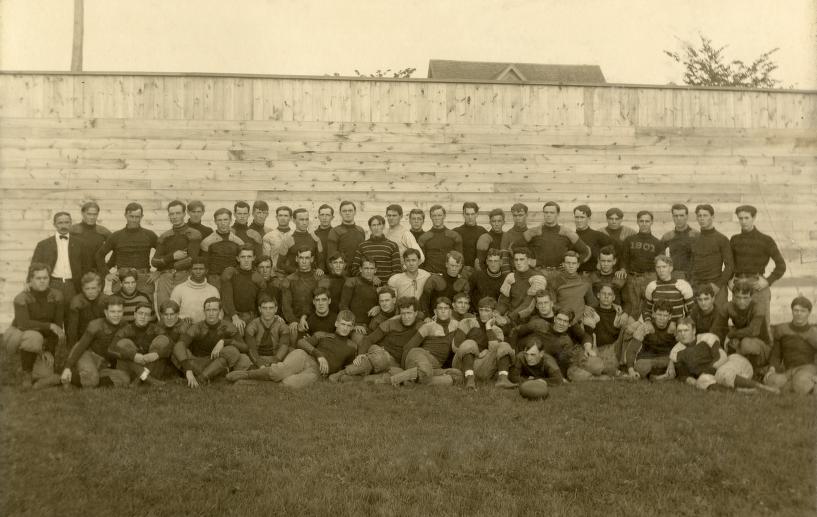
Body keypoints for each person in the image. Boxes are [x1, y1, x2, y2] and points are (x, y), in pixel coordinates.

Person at [226, 310, 358, 388]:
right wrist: (319, 355)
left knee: (289, 383)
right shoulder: (322, 335)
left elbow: (347, 367)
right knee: (279, 371)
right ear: (336, 323)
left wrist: (334, 374)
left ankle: (251, 382)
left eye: (348, 325)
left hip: (316, 372)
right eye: (342, 324)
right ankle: (247, 375)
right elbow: (301, 342)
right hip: (304, 357)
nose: (345, 328)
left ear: (352, 327)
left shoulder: (352, 347)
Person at [655, 318, 778, 393]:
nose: (682, 334)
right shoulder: (676, 351)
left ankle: (763, 388)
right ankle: (741, 391)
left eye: (686, 330)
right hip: (716, 377)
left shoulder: (707, 337)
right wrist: (693, 380)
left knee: (721, 373)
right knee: (702, 381)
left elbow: (721, 357)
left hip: (733, 363)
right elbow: (683, 374)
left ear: (694, 330)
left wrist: (706, 372)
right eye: (680, 331)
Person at [329, 296, 424, 383]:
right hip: (380, 351)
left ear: (415, 313)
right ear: (399, 313)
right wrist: (360, 354)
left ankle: (352, 379)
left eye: (409, 313)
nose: (406, 317)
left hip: (395, 362)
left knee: (395, 373)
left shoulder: (421, 326)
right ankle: (341, 373)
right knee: (381, 358)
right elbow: (369, 339)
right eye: (403, 313)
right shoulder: (391, 323)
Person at [5, 263, 66, 388]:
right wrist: (49, 325)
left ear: (49, 279)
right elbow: (23, 324)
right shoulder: (21, 297)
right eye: (38, 278)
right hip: (17, 334)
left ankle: (30, 367)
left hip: (41, 337)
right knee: (34, 337)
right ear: (30, 280)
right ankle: (26, 372)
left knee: (45, 374)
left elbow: (57, 327)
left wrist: (49, 350)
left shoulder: (57, 296)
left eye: (45, 278)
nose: (42, 281)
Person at [173, 297, 251, 388]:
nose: (211, 313)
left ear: (220, 311)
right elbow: (179, 345)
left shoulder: (228, 326)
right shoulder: (197, 327)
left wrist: (224, 341)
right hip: (199, 362)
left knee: (235, 353)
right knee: (176, 352)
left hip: (219, 362)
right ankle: (210, 376)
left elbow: (245, 348)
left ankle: (201, 379)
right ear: (204, 311)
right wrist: (188, 370)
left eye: (214, 310)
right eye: (208, 310)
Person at [729, 204, 786, 325]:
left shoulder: (766, 240)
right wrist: (730, 280)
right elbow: (730, 264)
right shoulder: (734, 239)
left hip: (757, 285)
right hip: (738, 285)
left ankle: (767, 344)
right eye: (740, 218)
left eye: (746, 218)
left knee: (762, 324)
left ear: (754, 218)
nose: (743, 221)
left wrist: (768, 281)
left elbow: (781, 266)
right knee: (740, 322)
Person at [391, 297, 462, 386]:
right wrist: (403, 367)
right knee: (426, 369)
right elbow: (408, 347)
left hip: (435, 365)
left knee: (457, 375)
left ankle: (409, 381)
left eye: (446, 308)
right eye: (440, 308)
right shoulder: (428, 327)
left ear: (450, 311)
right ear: (435, 311)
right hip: (419, 355)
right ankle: (395, 379)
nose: (443, 311)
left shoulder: (456, 325)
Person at [60, 296, 129, 389]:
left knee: (125, 379)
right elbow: (81, 346)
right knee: (92, 380)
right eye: (112, 311)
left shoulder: (124, 324)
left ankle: (88, 378)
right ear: (106, 312)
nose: (116, 315)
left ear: (123, 311)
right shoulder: (96, 325)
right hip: (88, 355)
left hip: (104, 362)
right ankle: (64, 375)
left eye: (119, 311)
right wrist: (67, 367)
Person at [451, 297, 516, 389]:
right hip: (461, 365)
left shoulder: (497, 330)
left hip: (482, 367)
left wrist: (488, 327)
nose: (483, 314)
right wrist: (477, 353)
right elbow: (455, 347)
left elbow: (495, 350)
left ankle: (503, 379)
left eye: (487, 310)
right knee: (469, 343)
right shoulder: (467, 322)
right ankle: (469, 380)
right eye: (481, 310)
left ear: (494, 313)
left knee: (504, 345)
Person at [95, 202, 158, 294]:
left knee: (146, 307)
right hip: (121, 277)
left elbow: (163, 252)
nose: (134, 220)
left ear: (142, 216)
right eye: (131, 216)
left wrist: (158, 272)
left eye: (137, 217)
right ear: (125, 215)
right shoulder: (116, 236)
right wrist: (107, 274)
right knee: (120, 307)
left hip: (143, 277)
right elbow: (99, 255)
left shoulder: (149, 235)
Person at [151, 200, 202, 308]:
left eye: (177, 213)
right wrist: (172, 256)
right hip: (165, 278)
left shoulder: (193, 234)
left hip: (184, 276)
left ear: (184, 214)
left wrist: (167, 263)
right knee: (164, 309)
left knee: (184, 309)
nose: (174, 216)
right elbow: (154, 261)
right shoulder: (165, 236)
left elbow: (191, 260)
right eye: (171, 214)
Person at [108, 302, 172, 385]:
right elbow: (111, 348)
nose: (143, 317)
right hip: (130, 369)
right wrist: (133, 356)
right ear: (135, 315)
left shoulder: (155, 328)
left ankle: (140, 379)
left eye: (147, 314)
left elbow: (170, 343)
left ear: (150, 317)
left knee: (163, 340)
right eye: (140, 313)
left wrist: (157, 354)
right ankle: (148, 379)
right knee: (123, 344)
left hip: (150, 368)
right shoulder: (126, 330)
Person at [764, 297, 817, 394]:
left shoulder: (814, 333)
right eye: (796, 310)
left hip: (807, 368)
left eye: (803, 311)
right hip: (789, 370)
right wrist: (772, 368)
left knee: (801, 382)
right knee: (770, 380)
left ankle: (799, 386)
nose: (799, 314)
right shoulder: (782, 329)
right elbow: (776, 353)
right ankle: (799, 387)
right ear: (792, 311)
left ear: (809, 313)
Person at [713, 282, 771, 370]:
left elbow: (753, 331)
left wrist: (731, 335)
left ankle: (754, 370)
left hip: (761, 346)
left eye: (745, 298)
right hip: (741, 340)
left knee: (746, 344)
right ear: (733, 297)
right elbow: (717, 327)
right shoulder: (728, 306)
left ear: (751, 297)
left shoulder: (758, 307)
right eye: (738, 297)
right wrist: (719, 344)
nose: (741, 301)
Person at [620, 210, 666, 318]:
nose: (644, 224)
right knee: (631, 310)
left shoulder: (658, 243)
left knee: (649, 309)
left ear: (651, 222)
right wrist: (622, 269)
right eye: (641, 221)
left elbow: (661, 264)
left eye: (647, 221)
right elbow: (624, 259)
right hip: (632, 278)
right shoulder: (629, 240)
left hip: (649, 278)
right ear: (637, 222)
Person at [32, 211, 82, 308]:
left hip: (72, 286)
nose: (64, 225)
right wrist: (30, 283)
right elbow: (34, 267)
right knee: (52, 315)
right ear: (54, 224)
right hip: (52, 284)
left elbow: (86, 266)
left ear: (71, 223)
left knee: (71, 317)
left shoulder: (80, 244)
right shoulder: (43, 245)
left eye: (67, 222)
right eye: (60, 223)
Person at [523, 202, 590, 272]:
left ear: (557, 214)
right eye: (546, 212)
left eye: (552, 213)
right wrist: (529, 261)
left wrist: (571, 264)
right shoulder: (534, 232)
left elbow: (585, 252)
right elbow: (514, 248)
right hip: (539, 272)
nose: (548, 215)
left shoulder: (567, 233)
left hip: (560, 273)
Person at [690, 204, 733, 308]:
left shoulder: (722, 239)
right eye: (699, 216)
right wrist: (692, 283)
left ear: (712, 217)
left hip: (716, 286)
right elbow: (691, 264)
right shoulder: (694, 239)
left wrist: (718, 285)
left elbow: (730, 266)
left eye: (705, 215)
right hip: (698, 286)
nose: (702, 218)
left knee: (719, 319)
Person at [621, 300, 676, 379]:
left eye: (665, 315)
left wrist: (671, 362)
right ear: (653, 314)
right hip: (647, 359)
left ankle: (656, 375)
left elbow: (680, 349)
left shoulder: (674, 329)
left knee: (678, 363)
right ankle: (661, 375)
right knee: (640, 367)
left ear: (670, 316)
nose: (662, 318)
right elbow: (631, 350)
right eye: (659, 314)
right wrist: (631, 370)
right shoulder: (645, 327)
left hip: (666, 359)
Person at [281, 247, 330, 334]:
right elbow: (286, 305)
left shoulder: (320, 278)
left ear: (312, 259)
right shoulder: (288, 280)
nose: (304, 261)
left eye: (307, 258)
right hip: (296, 320)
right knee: (294, 334)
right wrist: (293, 321)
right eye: (301, 258)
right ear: (296, 259)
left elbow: (321, 301)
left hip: (317, 318)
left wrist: (305, 317)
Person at [221, 244, 266, 335]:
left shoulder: (257, 277)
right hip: (233, 315)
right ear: (238, 258)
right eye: (243, 257)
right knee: (230, 334)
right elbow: (227, 298)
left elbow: (261, 300)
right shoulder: (231, 273)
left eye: (249, 256)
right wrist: (234, 317)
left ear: (253, 258)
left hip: (251, 316)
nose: (246, 260)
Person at [496, 248, 547, 324]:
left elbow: (529, 305)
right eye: (516, 260)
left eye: (522, 259)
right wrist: (497, 314)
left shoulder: (538, 278)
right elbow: (503, 301)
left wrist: (508, 318)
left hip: (529, 319)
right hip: (510, 317)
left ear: (529, 261)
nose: (518, 263)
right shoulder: (511, 276)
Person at [240, 295, 291, 370]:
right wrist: (260, 365)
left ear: (276, 309)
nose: (268, 311)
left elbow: (284, 346)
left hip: (276, 357)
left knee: (293, 353)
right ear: (260, 309)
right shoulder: (252, 326)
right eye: (264, 308)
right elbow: (251, 349)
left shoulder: (283, 326)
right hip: (257, 357)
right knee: (242, 359)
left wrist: (274, 363)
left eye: (271, 308)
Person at [199, 207, 244, 290]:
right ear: (215, 221)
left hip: (233, 278)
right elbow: (204, 265)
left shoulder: (238, 241)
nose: (223, 223)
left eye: (225, 220)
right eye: (219, 220)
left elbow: (242, 262)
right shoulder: (207, 241)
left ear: (230, 220)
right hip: (214, 279)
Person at [642, 256, 694, 323]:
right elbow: (646, 309)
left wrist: (682, 325)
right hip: (658, 326)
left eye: (664, 267)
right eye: (658, 267)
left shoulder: (682, 285)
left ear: (671, 268)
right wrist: (648, 322)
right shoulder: (651, 286)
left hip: (677, 327)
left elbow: (691, 310)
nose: (661, 270)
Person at [66, 272, 108, 355]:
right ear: (82, 289)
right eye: (87, 288)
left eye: (93, 288)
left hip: (101, 339)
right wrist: (73, 348)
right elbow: (72, 330)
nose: (90, 292)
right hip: (83, 339)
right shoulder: (77, 302)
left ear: (99, 288)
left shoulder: (105, 300)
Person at [350, 215, 401, 282]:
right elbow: (354, 269)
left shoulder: (392, 245)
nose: (376, 228)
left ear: (383, 226)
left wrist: (386, 286)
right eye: (373, 225)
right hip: (366, 286)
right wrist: (370, 278)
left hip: (386, 287)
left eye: (379, 224)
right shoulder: (362, 246)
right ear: (370, 227)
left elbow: (397, 271)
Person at [547, 251, 592, 326]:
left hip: (579, 319)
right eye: (568, 263)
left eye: (574, 263)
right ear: (563, 264)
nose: (571, 266)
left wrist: (587, 307)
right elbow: (552, 304)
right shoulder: (555, 281)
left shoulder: (585, 281)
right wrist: (564, 315)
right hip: (561, 320)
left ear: (578, 265)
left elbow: (592, 302)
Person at [170, 258, 220, 323]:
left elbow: (219, 314)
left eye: (201, 269)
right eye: (195, 269)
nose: (198, 272)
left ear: (206, 271)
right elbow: (171, 312)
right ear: (190, 270)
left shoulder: (213, 291)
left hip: (206, 329)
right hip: (184, 329)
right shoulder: (179, 289)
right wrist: (181, 320)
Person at [417, 205, 463, 275]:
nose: (437, 218)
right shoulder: (424, 238)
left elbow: (460, 258)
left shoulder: (454, 236)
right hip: (430, 275)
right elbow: (420, 261)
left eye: (439, 215)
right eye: (434, 216)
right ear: (431, 217)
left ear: (444, 216)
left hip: (449, 275)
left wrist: (457, 273)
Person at [340, 257, 379, 336]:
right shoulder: (352, 282)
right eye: (366, 268)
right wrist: (353, 324)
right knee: (361, 342)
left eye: (371, 268)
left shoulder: (377, 285)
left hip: (372, 326)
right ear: (361, 269)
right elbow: (343, 306)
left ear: (375, 270)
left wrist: (379, 307)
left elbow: (386, 303)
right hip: (355, 326)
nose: (368, 271)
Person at [70, 201, 111, 277]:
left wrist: (106, 268)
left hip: (97, 274)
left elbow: (118, 248)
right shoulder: (73, 230)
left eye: (95, 214)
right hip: (77, 273)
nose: (92, 217)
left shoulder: (103, 231)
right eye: (89, 214)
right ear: (82, 213)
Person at [573, 205, 613, 277]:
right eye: (577, 217)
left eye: (582, 217)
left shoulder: (598, 235)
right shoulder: (571, 236)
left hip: (594, 276)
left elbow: (615, 249)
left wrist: (602, 264)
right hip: (575, 276)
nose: (579, 220)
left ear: (589, 218)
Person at [280, 208, 324, 274]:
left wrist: (320, 269)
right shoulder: (288, 240)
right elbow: (280, 264)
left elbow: (321, 261)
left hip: (312, 278)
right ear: (294, 220)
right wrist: (298, 272)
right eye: (301, 220)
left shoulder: (315, 239)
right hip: (294, 278)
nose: (304, 223)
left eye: (306, 219)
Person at [661, 204, 699, 279]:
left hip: (693, 277)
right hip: (673, 276)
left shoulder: (696, 235)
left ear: (687, 216)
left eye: (681, 215)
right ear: (673, 217)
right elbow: (660, 258)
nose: (678, 218)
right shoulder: (667, 236)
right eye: (676, 216)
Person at [327, 201, 366, 268]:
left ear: (355, 212)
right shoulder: (335, 231)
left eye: (350, 210)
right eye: (344, 211)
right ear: (340, 213)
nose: (347, 213)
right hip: (342, 273)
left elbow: (363, 253)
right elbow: (332, 256)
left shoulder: (361, 230)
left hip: (358, 272)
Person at [453, 201, 487, 270]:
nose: (470, 217)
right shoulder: (457, 232)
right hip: (461, 271)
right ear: (463, 215)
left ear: (477, 214)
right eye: (467, 214)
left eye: (472, 214)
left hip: (479, 271)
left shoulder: (482, 231)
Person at [261, 206, 295, 273]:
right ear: (276, 217)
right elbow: (266, 259)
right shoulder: (268, 237)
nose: (283, 218)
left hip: (294, 273)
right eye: (280, 215)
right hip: (275, 273)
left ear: (290, 218)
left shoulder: (295, 235)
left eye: (286, 216)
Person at [314, 204, 335, 271]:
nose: (324, 218)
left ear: (332, 217)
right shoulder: (313, 234)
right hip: (318, 272)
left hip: (333, 271)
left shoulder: (336, 233)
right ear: (318, 217)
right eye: (322, 215)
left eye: (327, 215)